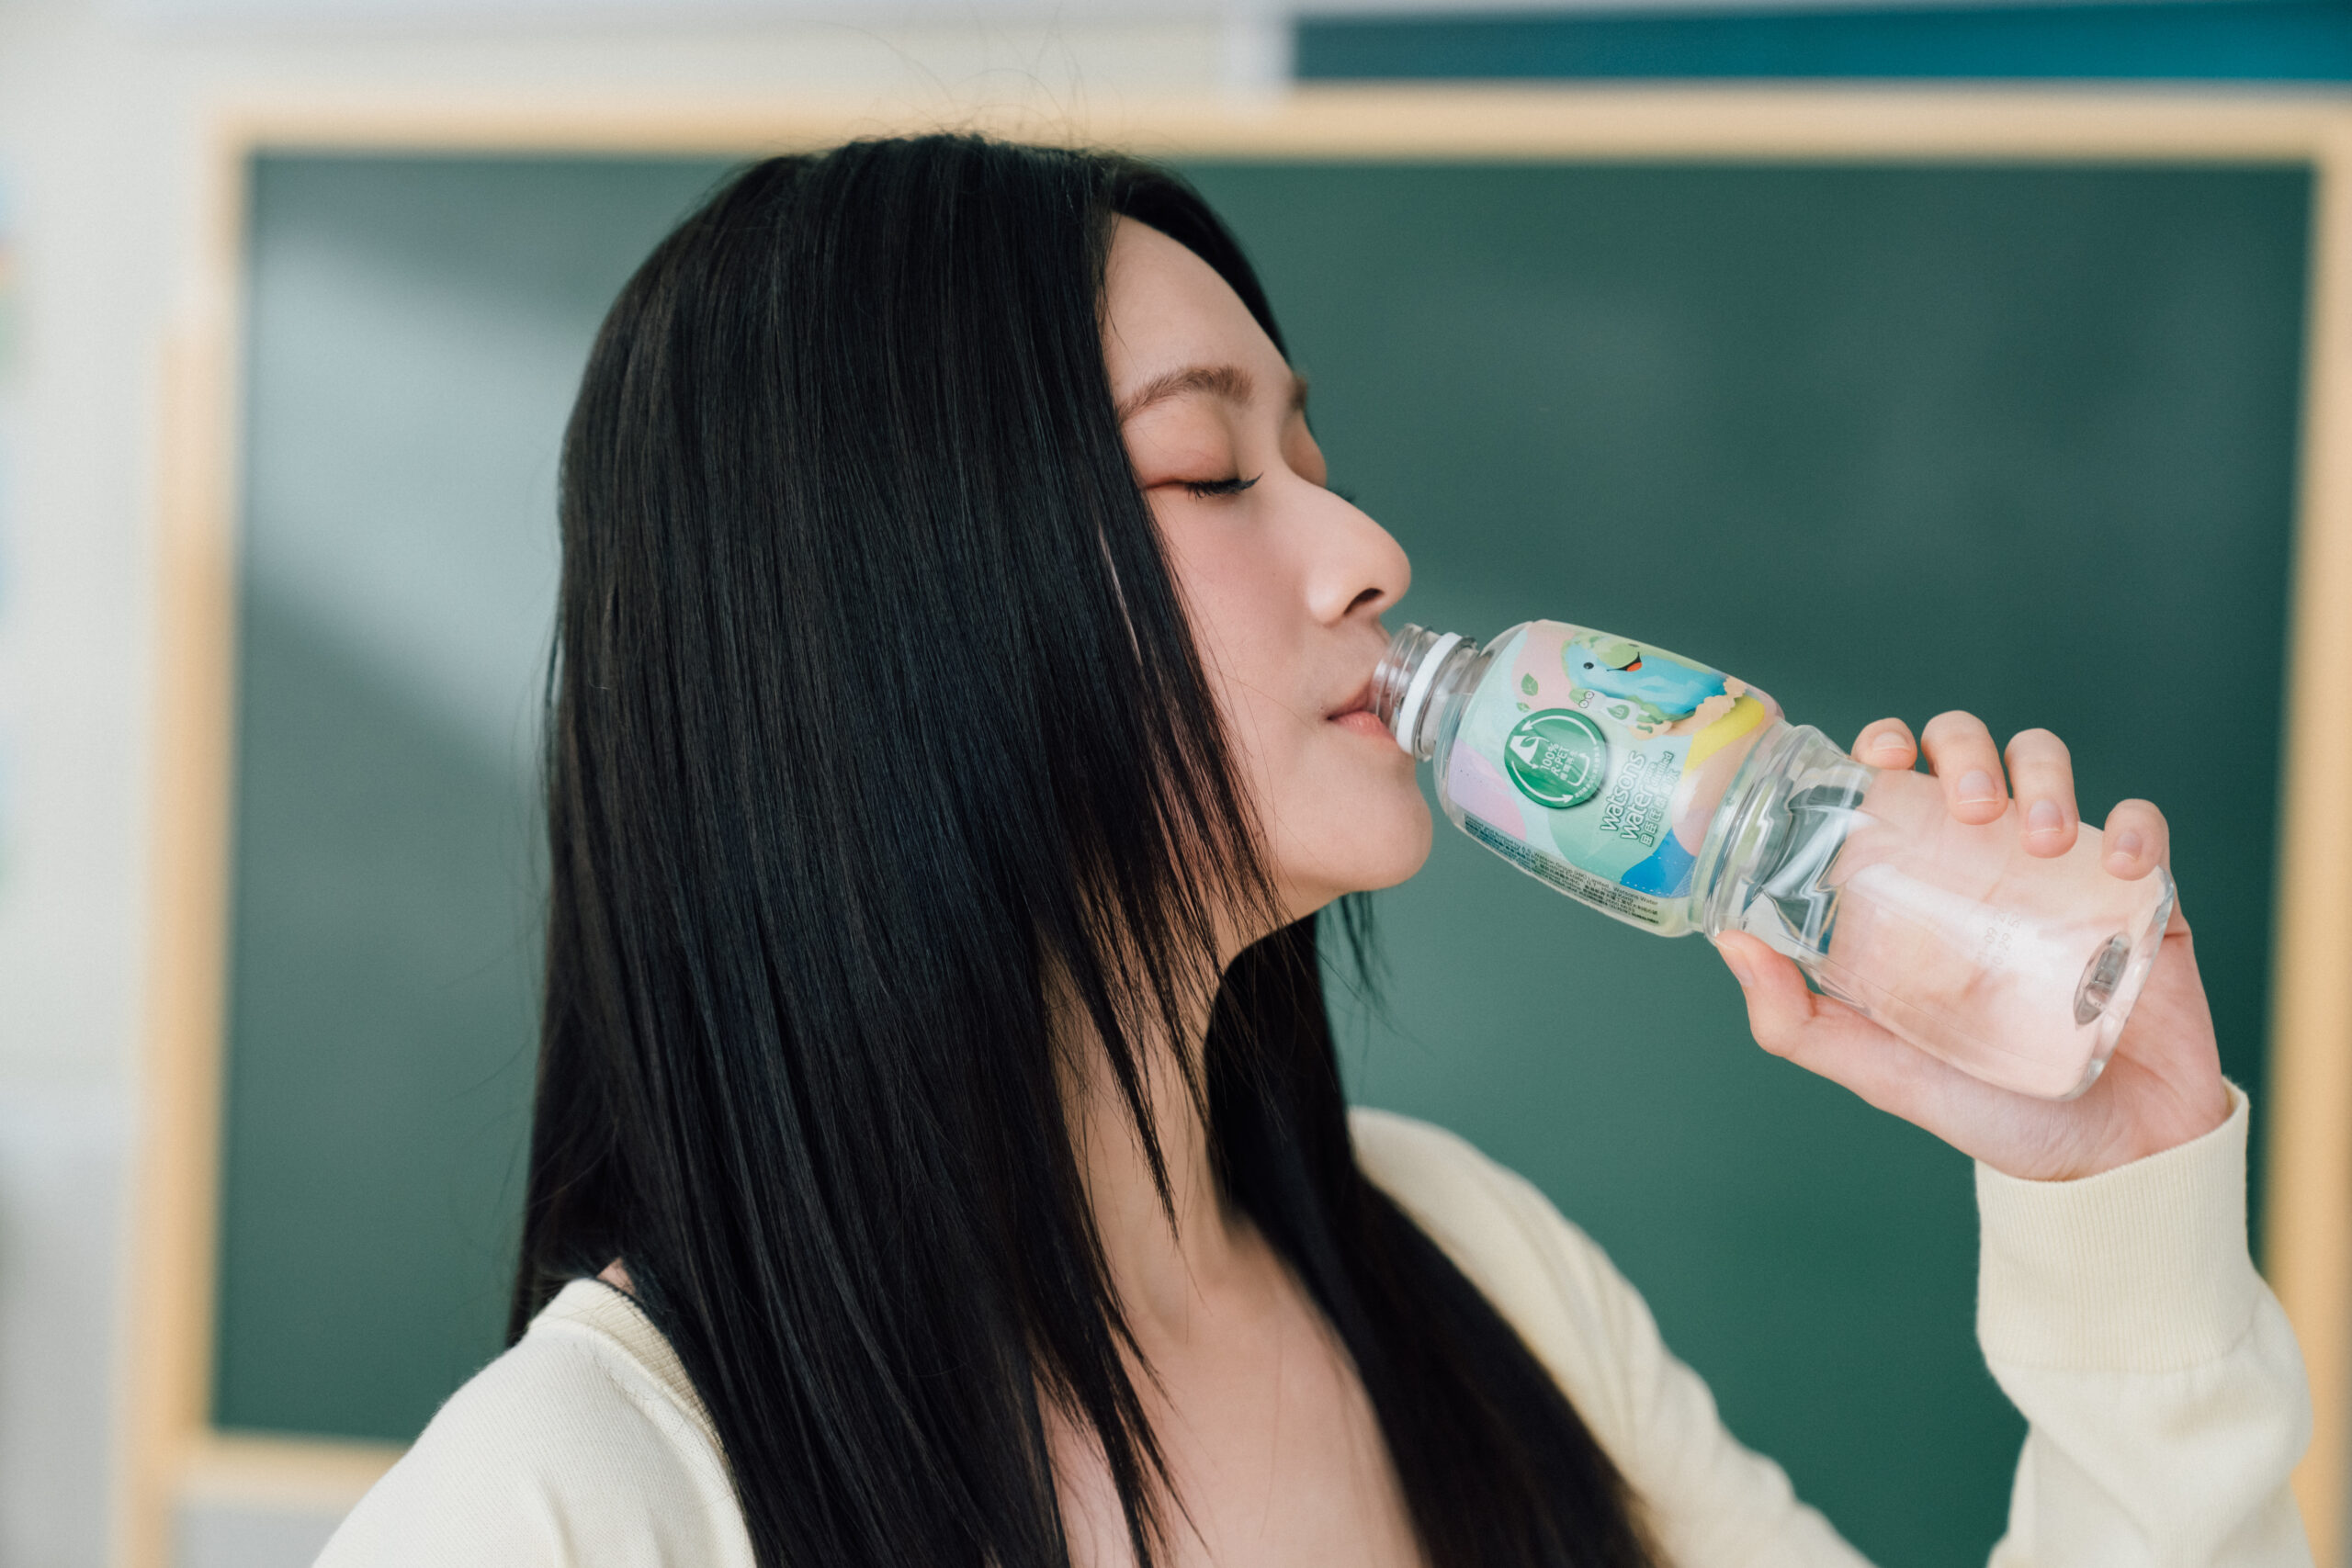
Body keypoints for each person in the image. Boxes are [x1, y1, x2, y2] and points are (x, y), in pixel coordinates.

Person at [316, 135, 2311, 1568]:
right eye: (1209, 468)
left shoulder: (1464, 1264)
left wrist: (2121, 1194)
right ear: (880, 619)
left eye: (1316, 463)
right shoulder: (573, 1501)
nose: (1366, 556)